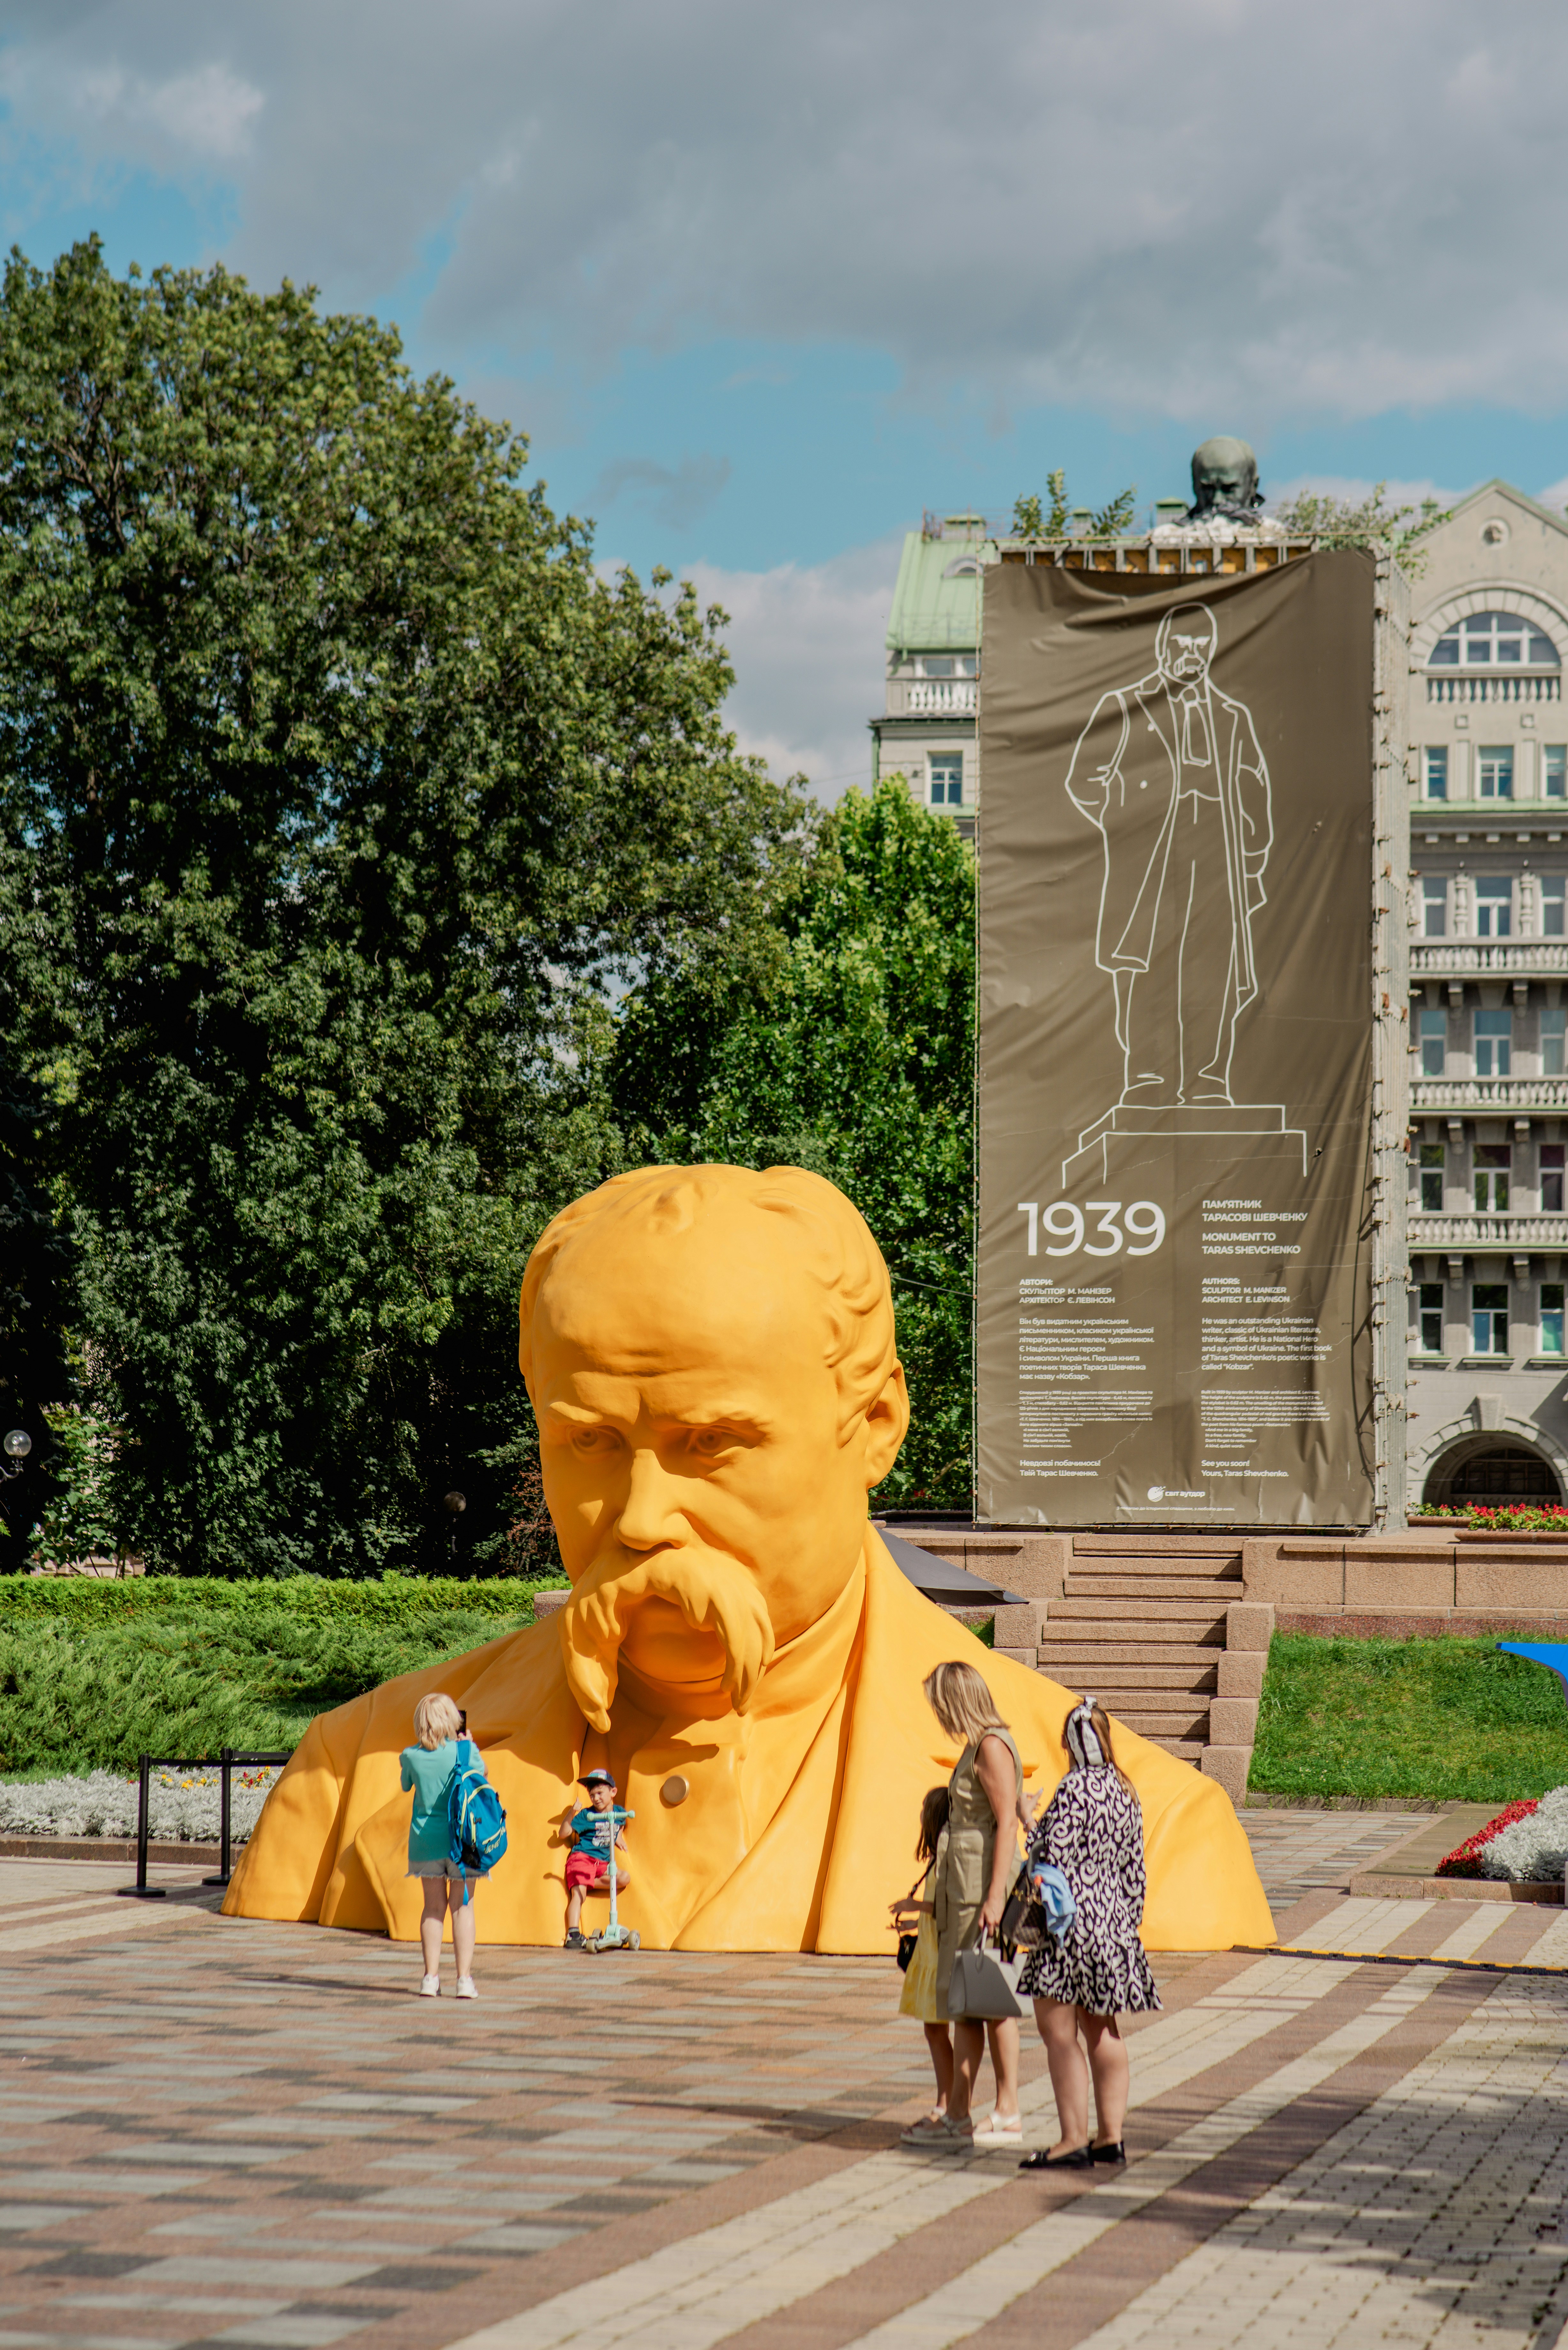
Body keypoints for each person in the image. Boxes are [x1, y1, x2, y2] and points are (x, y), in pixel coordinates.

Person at [224, 1166, 1275, 1960]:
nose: (638, 1521)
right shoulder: (344, 1773)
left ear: (874, 1423)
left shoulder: (1159, 1832)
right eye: (590, 1444)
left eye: (712, 1444)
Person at [1018, 1695, 1161, 2173]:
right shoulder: (1126, 1791)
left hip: (1067, 1927)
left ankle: (1072, 2140)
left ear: (1068, 1743)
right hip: (1114, 1926)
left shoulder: (1073, 1788)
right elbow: (1135, 1871)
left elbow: (1050, 1856)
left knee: (1058, 2032)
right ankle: (1111, 2138)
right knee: (1104, 2029)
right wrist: (1125, 1924)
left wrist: (1026, 1823)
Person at [902, 1660, 1026, 2149]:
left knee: (990, 2002)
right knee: (972, 2006)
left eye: (940, 1703)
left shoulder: (992, 1747)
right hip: (965, 1890)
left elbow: (1006, 1825)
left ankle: (1001, 2110)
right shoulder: (979, 1747)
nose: (939, 1714)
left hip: (980, 1893)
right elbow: (1016, 1810)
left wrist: (996, 1897)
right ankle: (965, 2113)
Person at [400, 1692, 488, 1999]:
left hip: (425, 1841)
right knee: (463, 1907)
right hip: (464, 1841)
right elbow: (483, 1778)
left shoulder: (410, 1756)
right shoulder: (465, 1751)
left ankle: (430, 1978)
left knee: (433, 1908)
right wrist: (468, 1746)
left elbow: (406, 1785)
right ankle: (464, 1980)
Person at [892, 1785, 953, 2124]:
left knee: (936, 2030)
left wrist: (914, 1905)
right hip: (932, 1951)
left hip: (938, 1957)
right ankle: (947, 2101)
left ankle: (947, 2102)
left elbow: (949, 1903)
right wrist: (916, 1919)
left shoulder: (945, 1855)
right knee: (935, 2031)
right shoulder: (939, 1857)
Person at [563, 1767, 631, 1950]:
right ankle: (573, 1934)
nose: (596, 1798)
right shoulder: (587, 1815)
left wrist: (618, 1837)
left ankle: (586, 1882)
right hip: (582, 1858)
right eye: (592, 1795)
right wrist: (572, 1812)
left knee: (624, 1878)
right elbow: (564, 1834)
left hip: (602, 1865)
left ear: (613, 1792)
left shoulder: (619, 1812)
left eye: (600, 1793)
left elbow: (619, 1826)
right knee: (579, 1894)